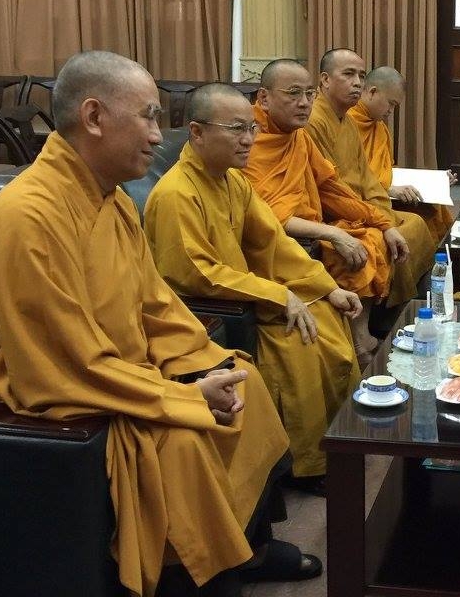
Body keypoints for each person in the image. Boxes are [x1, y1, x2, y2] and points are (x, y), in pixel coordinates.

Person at [0, 51, 319, 597]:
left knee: (242, 380)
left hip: (119, 362)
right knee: (183, 441)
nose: (160, 137)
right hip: (47, 387)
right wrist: (182, 398)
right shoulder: (28, 215)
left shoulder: (109, 201)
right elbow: (58, 361)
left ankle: (246, 545)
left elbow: (154, 306)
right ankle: (200, 577)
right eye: (148, 116)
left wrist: (206, 366)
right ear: (94, 117)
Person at [144, 83, 363, 497]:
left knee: (328, 321)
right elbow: (198, 273)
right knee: (299, 342)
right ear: (197, 132)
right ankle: (304, 464)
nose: (249, 140)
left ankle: (336, 447)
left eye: (251, 128)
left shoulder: (232, 181)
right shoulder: (176, 194)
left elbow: (272, 242)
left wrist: (325, 286)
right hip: (213, 309)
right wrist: (279, 296)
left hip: (249, 293)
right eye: (236, 129)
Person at [242, 59, 407, 360]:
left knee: (373, 235)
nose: (304, 103)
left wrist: (383, 222)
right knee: (354, 245)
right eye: (293, 94)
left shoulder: (297, 136)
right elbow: (270, 216)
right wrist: (332, 233)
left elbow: (331, 187)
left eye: (309, 94)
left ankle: (362, 333)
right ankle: (358, 340)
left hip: (310, 223)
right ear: (264, 98)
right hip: (276, 242)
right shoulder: (249, 142)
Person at [305, 48, 437, 306]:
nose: (357, 82)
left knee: (417, 224)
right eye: (349, 74)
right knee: (379, 239)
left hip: (360, 207)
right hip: (335, 212)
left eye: (361, 75)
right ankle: (368, 324)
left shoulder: (348, 123)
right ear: (325, 80)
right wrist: (381, 222)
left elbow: (367, 179)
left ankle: (401, 307)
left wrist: (382, 216)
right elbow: (329, 189)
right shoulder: (313, 122)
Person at [347, 65, 456, 243]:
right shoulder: (347, 123)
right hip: (365, 199)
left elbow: (386, 168)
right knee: (420, 219)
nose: (391, 111)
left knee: (435, 206)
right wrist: (388, 189)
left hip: (383, 193)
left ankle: (439, 260)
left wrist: (434, 182)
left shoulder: (379, 127)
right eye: (391, 104)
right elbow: (347, 177)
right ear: (372, 92)